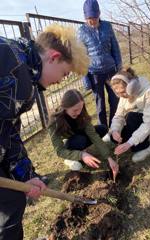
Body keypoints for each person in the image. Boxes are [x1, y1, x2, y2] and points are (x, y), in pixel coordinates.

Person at [0, 23, 89, 240]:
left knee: (11, 200)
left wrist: (27, 175)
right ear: (53, 57)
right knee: (11, 204)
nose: (60, 81)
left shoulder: (18, 57)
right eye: (64, 73)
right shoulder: (18, 76)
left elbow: (7, 130)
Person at [49, 89, 119, 178]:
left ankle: (84, 152)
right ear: (65, 107)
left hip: (82, 136)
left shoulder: (81, 113)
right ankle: (70, 159)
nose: (78, 112)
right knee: (80, 140)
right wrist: (81, 155)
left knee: (102, 128)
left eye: (80, 109)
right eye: (75, 110)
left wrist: (108, 158)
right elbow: (59, 151)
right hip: (72, 143)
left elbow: (93, 135)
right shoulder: (54, 121)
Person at [109, 67, 150, 162]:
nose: (121, 96)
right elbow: (118, 115)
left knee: (132, 117)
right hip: (137, 120)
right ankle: (143, 137)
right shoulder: (124, 92)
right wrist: (115, 130)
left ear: (132, 86)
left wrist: (129, 143)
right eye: (118, 93)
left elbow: (149, 123)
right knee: (115, 138)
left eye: (123, 92)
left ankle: (145, 148)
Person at [78, 0, 122, 128]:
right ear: (85, 17)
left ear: (99, 15)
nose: (92, 21)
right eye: (89, 18)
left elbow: (115, 46)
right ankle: (103, 129)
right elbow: (81, 58)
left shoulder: (107, 26)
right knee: (100, 103)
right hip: (94, 73)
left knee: (115, 99)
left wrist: (119, 65)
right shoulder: (81, 31)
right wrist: (86, 80)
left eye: (95, 18)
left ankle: (114, 126)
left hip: (111, 70)